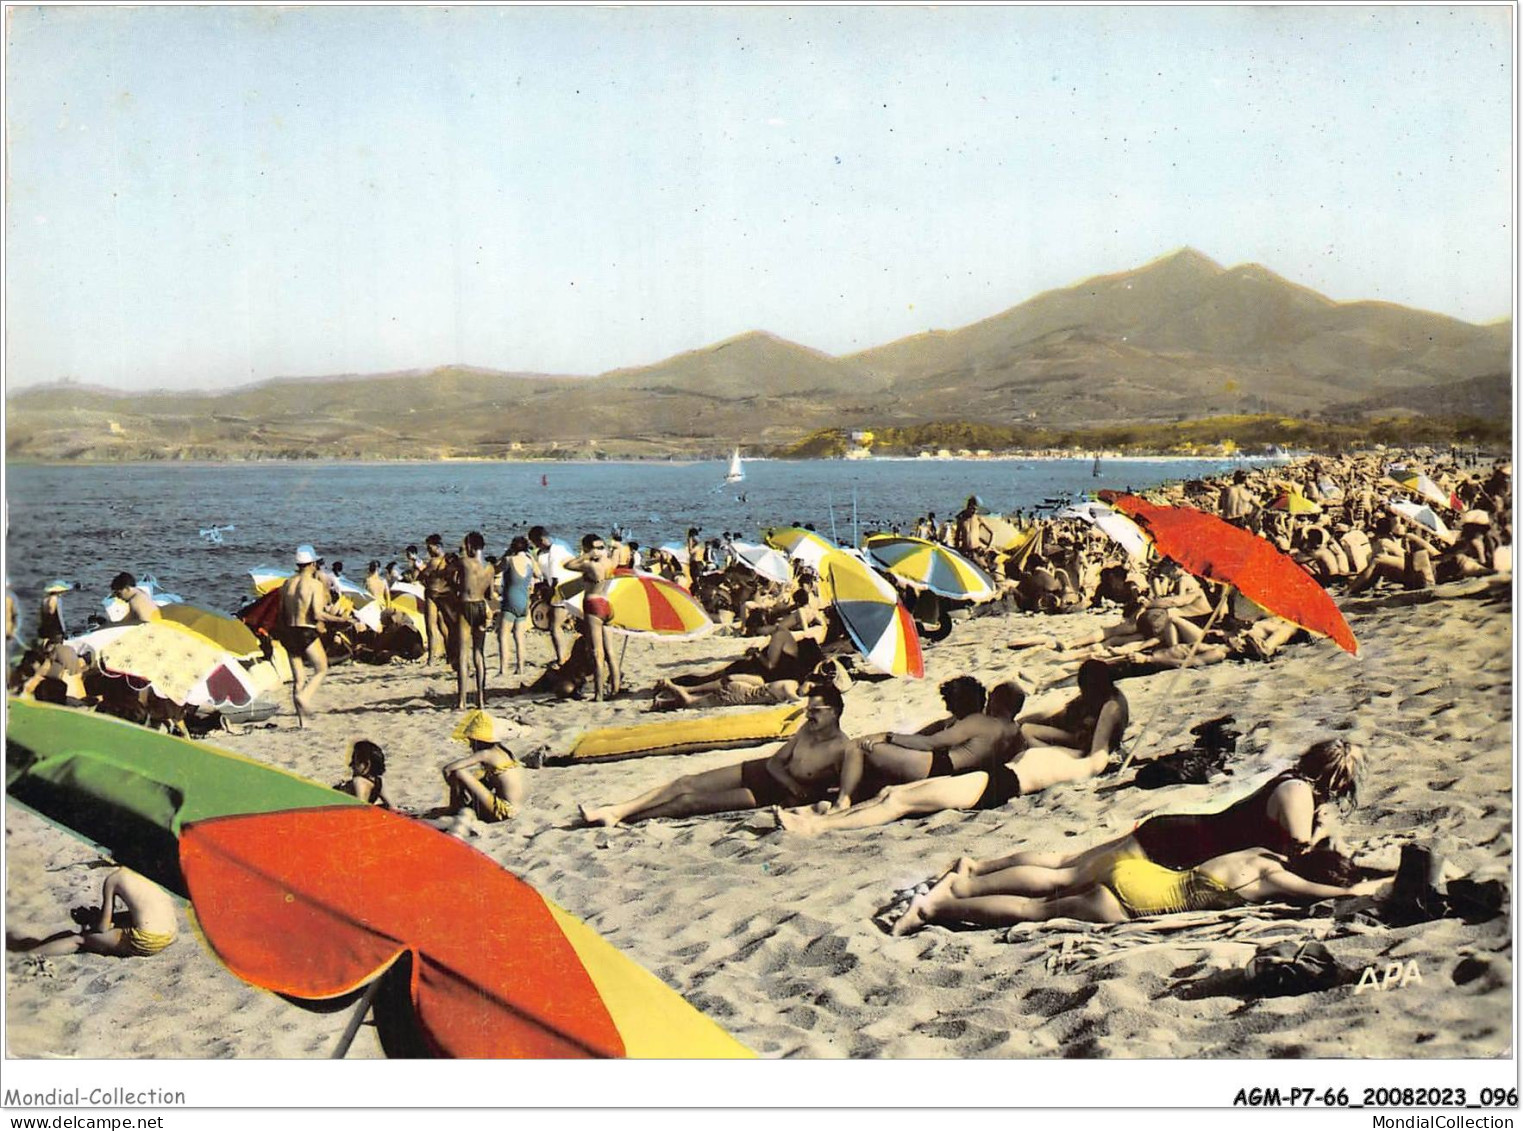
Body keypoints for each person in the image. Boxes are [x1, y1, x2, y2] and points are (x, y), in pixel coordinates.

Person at [942, 736, 1365, 901]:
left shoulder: (1292, 780)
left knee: (1068, 863)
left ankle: (978, 867)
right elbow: (1299, 851)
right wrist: (1325, 830)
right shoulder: (1298, 793)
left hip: (1178, 832)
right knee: (1067, 880)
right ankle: (967, 887)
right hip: (1176, 845)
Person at [890, 844, 1390, 935]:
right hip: (1141, 901)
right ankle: (939, 908)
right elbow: (1327, 896)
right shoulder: (1276, 878)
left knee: (1054, 881)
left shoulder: (1263, 853)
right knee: (1033, 911)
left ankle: (961, 885)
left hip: (1141, 871)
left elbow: (1315, 863)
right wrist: (1378, 883)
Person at [579, 685, 850, 826]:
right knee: (685, 781)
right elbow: (775, 762)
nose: (808, 715)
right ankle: (616, 810)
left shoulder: (841, 749)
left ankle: (626, 819)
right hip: (761, 771)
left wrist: (801, 797)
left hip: (769, 794)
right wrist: (791, 782)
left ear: (834, 712)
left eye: (815, 711)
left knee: (689, 802)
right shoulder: (805, 731)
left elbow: (841, 793)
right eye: (808, 709)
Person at [1009, 658, 1129, 792]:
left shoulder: (1111, 707)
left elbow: (1097, 757)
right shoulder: (1100, 695)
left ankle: (1052, 753)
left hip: (1091, 749)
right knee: (1027, 730)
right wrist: (1018, 721)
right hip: (1081, 739)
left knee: (1031, 753)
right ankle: (1050, 751)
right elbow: (1064, 712)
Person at [6, 866, 176, 959]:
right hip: (171, 934)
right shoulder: (152, 869)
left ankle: (26, 956)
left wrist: (91, 924)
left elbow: (102, 928)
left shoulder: (115, 878)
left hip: (149, 940)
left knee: (79, 939)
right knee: (127, 918)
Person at [276, 544, 352, 725]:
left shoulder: (287, 584)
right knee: (322, 668)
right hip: (305, 630)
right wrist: (341, 620)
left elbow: (281, 613)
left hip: (289, 630)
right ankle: (305, 697)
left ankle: (303, 722)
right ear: (312, 564)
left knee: (299, 678)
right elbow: (318, 614)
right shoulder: (314, 585)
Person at [438, 710, 528, 825]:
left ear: (478, 741)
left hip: (505, 811)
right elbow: (494, 782)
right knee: (479, 777)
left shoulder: (485, 754)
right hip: (518, 808)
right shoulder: (504, 752)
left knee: (459, 773)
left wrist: (456, 791)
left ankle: (454, 808)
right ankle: (458, 807)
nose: (470, 745)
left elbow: (448, 769)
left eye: (471, 741)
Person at [565, 532, 621, 701]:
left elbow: (568, 565)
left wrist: (587, 555)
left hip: (593, 604)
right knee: (610, 651)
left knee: (597, 653)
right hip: (607, 604)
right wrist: (613, 545)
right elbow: (618, 549)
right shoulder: (610, 562)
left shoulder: (590, 565)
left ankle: (599, 694)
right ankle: (616, 689)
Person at [455, 532, 495, 710]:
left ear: (470, 546)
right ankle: (480, 698)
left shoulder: (464, 563)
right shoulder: (490, 568)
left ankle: (462, 701)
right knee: (479, 653)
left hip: (465, 605)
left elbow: (453, 580)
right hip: (480, 605)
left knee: (463, 654)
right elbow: (490, 594)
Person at [530, 526, 575, 665]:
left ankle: (562, 658)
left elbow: (555, 578)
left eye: (536, 543)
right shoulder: (545, 550)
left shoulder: (557, 549)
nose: (535, 546)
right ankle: (564, 656)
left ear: (542, 539)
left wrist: (549, 595)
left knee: (554, 626)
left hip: (564, 589)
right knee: (557, 625)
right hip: (563, 588)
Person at [496, 536, 540, 678]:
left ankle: (503, 669)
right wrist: (532, 557)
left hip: (510, 600)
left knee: (503, 636)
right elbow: (539, 574)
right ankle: (520, 667)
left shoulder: (509, 560)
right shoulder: (529, 562)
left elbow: (495, 570)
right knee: (519, 636)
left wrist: (505, 554)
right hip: (523, 601)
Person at [417, 534, 451, 665]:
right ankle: (449, 654)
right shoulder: (448, 560)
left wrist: (420, 568)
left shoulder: (433, 562)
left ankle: (432, 658)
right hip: (445, 593)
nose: (428, 551)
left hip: (432, 594)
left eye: (429, 548)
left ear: (437, 547)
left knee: (431, 626)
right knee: (444, 626)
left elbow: (422, 576)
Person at [335, 740, 393, 808]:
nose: (351, 765)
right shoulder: (379, 782)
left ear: (366, 765)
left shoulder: (359, 781)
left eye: (355, 761)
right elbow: (392, 807)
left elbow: (360, 808)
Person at [36, 580, 71, 646]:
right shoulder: (57, 600)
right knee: (56, 649)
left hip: (44, 629)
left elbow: (40, 616)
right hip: (55, 630)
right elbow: (59, 617)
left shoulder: (45, 600)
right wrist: (64, 631)